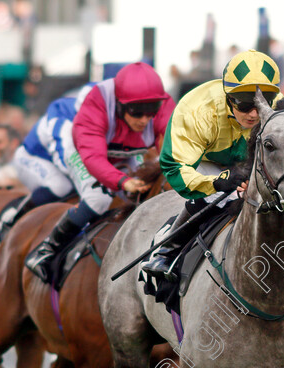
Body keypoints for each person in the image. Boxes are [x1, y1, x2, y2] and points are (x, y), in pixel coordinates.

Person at [24, 62, 175, 282]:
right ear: (120, 104)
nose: (144, 119)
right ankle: (46, 250)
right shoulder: (97, 104)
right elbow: (94, 158)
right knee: (98, 198)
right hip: (82, 148)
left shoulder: (162, 106)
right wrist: (122, 182)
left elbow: (176, 145)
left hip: (125, 148)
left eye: (151, 111)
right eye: (137, 112)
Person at [142, 49, 281, 280]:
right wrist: (215, 182)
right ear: (228, 96)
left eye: (262, 103)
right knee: (222, 197)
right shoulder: (197, 111)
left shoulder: (279, 107)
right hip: (203, 161)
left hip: (249, 162)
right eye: (245, 105)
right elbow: (176, 167)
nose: (254, 114)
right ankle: (168, 248)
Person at [2, 85, 91, 227]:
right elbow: (63, 159)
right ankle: (13, 220)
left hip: (58, 161)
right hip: (32, 156)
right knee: (61, 186)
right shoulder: (64, 116)